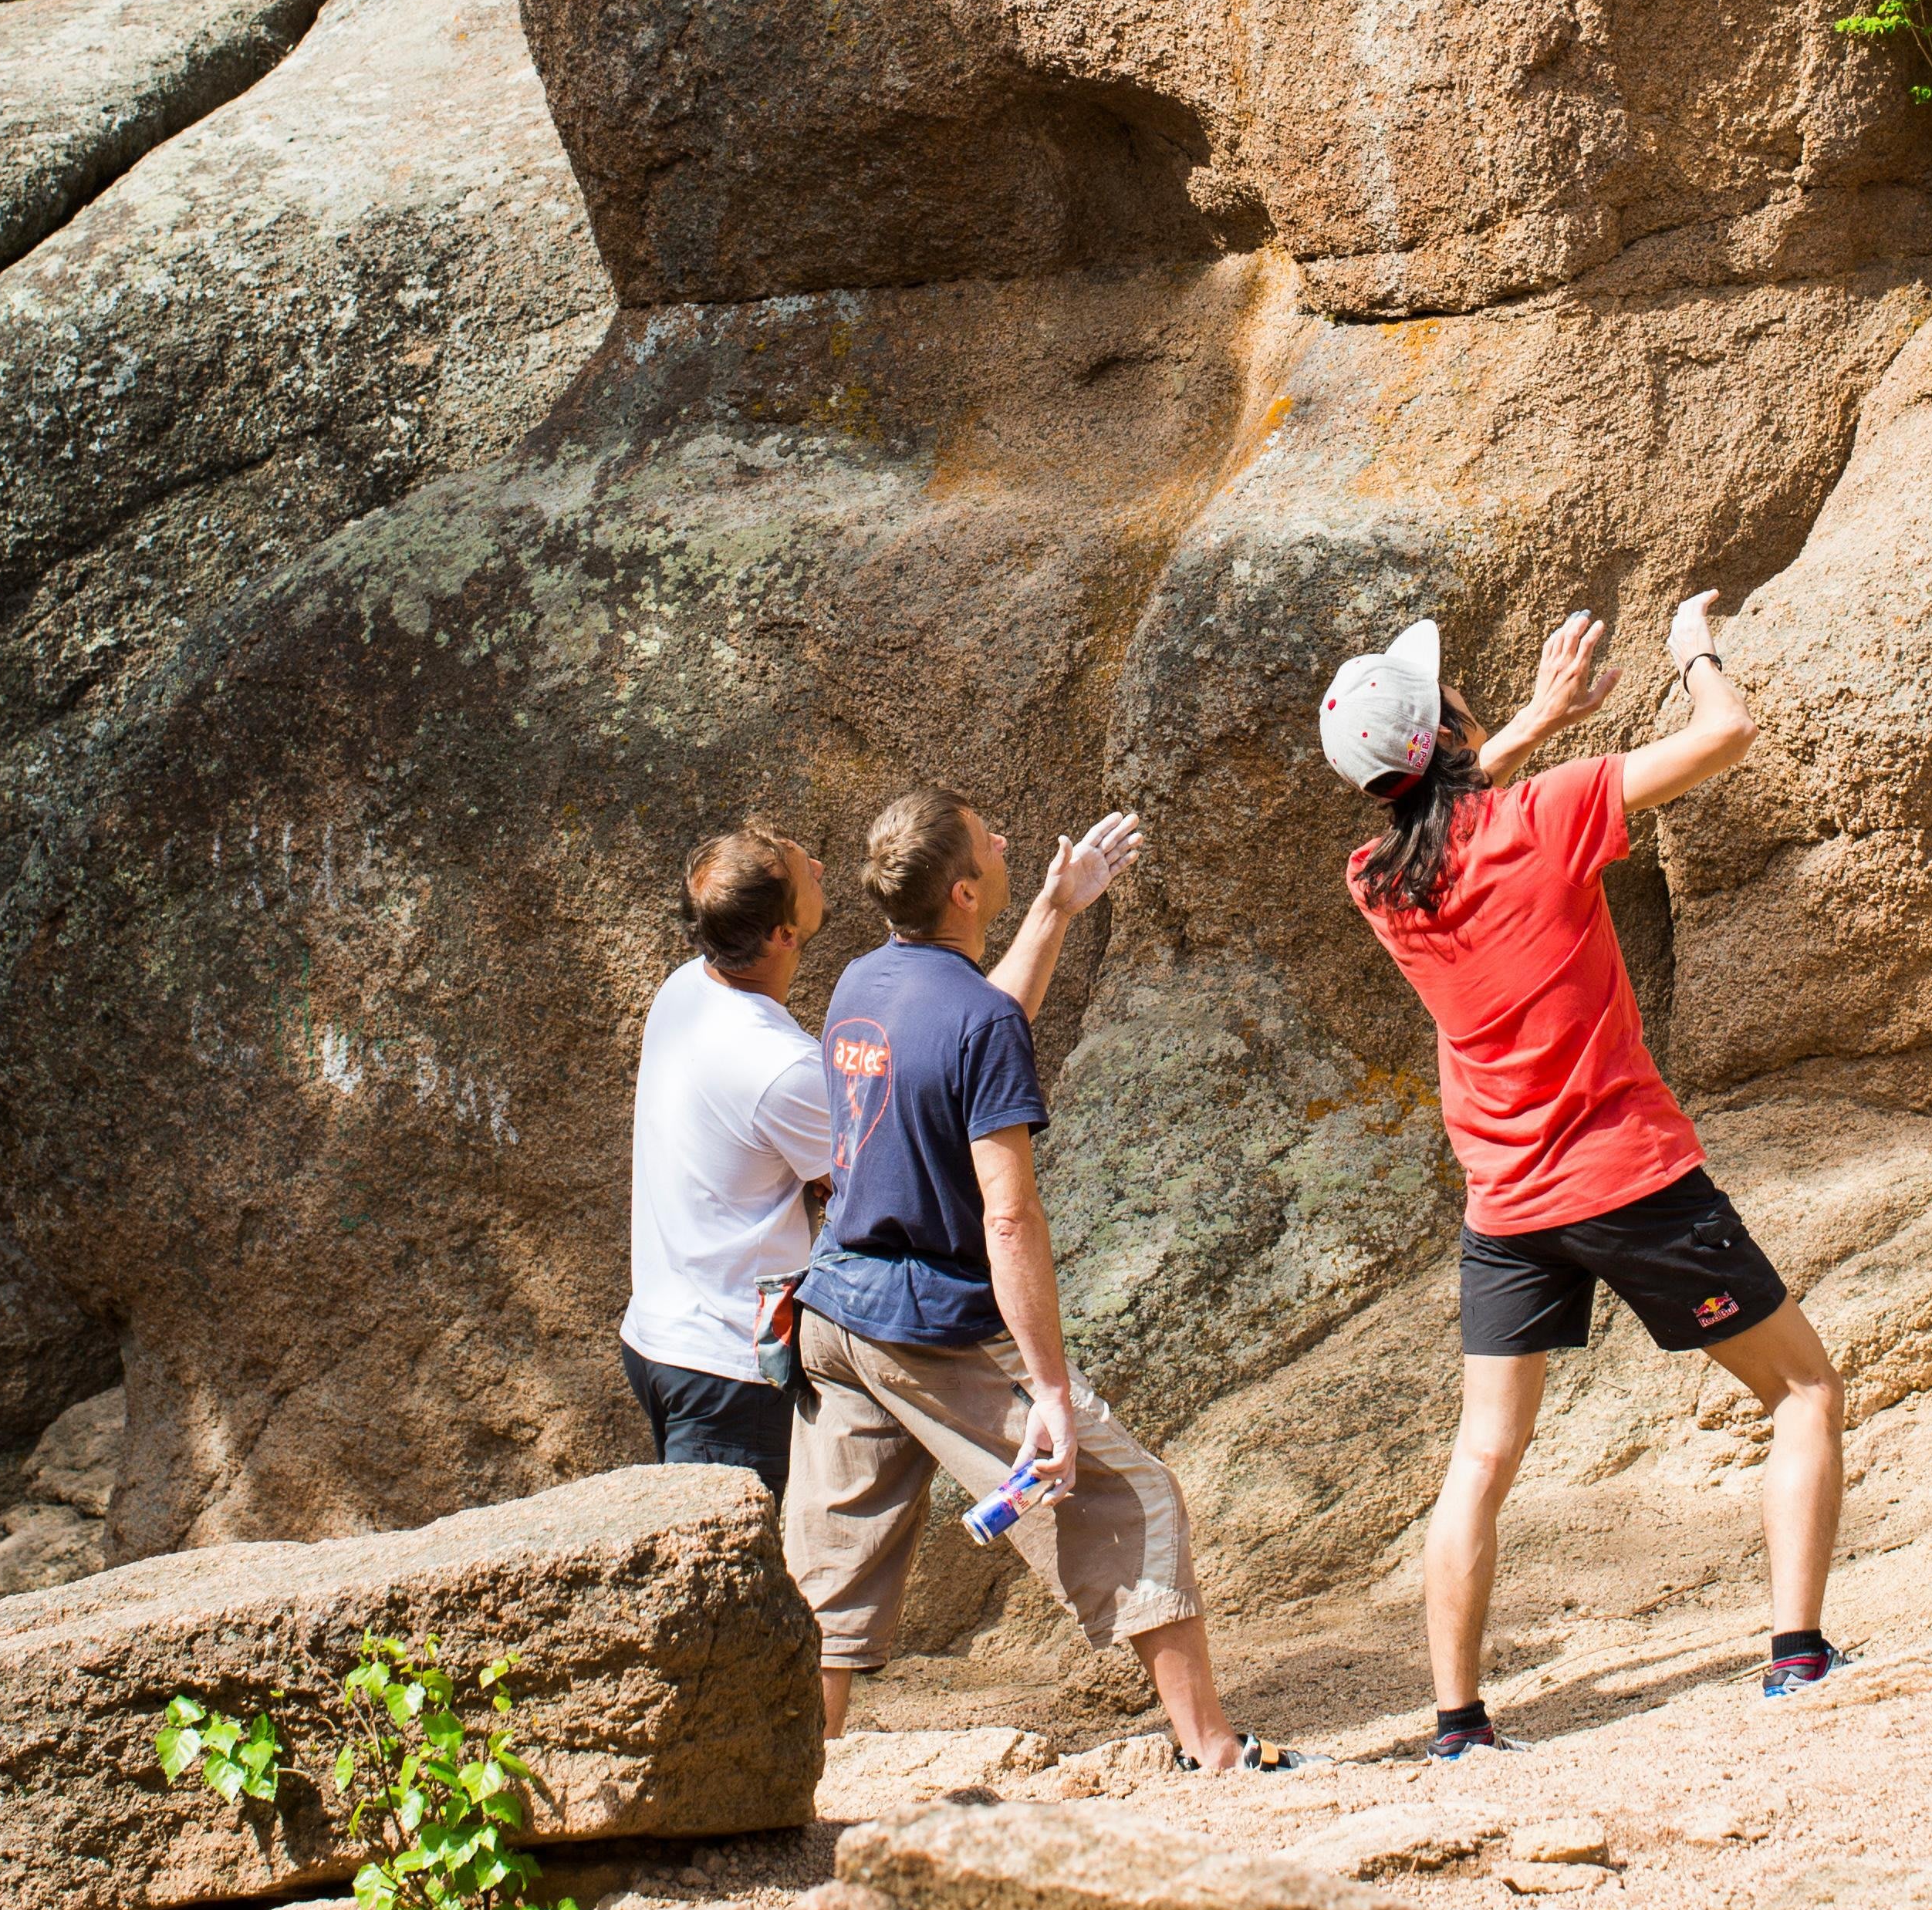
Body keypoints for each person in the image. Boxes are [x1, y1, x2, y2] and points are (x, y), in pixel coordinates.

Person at [1319, 595, 1850, 1755]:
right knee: (1804, 1393)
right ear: (1449, 735)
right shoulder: (1547, 814)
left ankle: (1458, 1723)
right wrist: (1694, 654)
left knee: (1483, 1458)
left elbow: (1442, 802)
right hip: (1630, 1179)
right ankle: (1798, 1658)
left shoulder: (1377, 881)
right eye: (1453, 700)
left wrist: (1535, 719)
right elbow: (1726, 737)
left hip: (1506, 1205)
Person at [785, 785, 1308, 1775]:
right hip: (929, 1324)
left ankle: (790, 1780)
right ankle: (1217, 1757)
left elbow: (971, 1031)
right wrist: (1053, 1397)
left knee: (830, 1578)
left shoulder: (861, 982)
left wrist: (1058, 908)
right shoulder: (975, 1021)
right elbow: (1010, 1216)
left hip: (834, 1314)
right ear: (967, 890)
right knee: (1130, 1495)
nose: (1010, 835)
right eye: (991, 837)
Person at [616, 825, 839, 1493]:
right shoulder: (781, 1067)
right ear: (783, 937)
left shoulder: (684, 990)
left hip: (658, 1341)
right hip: (729, 1374)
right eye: (808, 873)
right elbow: (856, 1181)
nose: (822, 865)